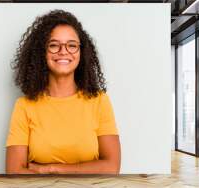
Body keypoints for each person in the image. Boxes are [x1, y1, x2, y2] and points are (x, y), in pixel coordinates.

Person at [6, 10, 120, 174]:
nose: (63, 51)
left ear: (81, 52)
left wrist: (51, 169)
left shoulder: (100, 101)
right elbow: (14, 171)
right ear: (41, 52)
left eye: (72, 45)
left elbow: (111, 167)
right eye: (53, 45)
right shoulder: (24, 106)